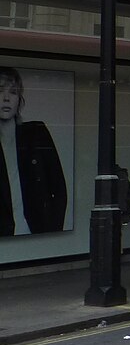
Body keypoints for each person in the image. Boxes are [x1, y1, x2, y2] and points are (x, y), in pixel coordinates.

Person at [0, 66, 68, 237]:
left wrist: (53, 232)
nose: (6, 98)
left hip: (37, 232)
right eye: (0, 91)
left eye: (13, 92)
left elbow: (59, 189)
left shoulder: (36, 133)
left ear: (19, 99)